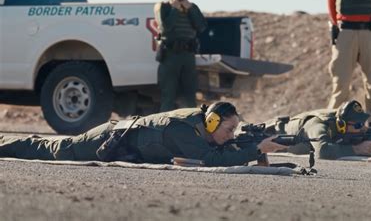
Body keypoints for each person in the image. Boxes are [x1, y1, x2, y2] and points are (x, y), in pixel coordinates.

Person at [0, 102, 288, 167]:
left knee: (54, 145)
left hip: (122, 142)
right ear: (211, 123)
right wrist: (258, 150)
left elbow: (221, 151)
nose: (231, 134)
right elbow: (210, 159)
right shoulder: (183, 130)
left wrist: (255, 149)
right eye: (228, 129)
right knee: (52, 149)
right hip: (110, 139)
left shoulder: (202, 126)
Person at [264, 100, 371, 160]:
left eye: (362, 123)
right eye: (357, 125)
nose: (363, 129)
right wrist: (356, 149)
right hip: (273, 132)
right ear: (342, 125)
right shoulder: (318, 125)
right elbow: (322, 151)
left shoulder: (355, 132)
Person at [327, 0, 371, 120]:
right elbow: (331, 1)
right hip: (346, 31)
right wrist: (338, 24)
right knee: (340, 85)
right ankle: (333, 125)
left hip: (370, 31)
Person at [154, 0, 207, 112]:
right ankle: (164, 130)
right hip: (171, 55)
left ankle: (191, 129)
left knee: (190, 96)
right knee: (168, 97)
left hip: (188, 56)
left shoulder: (191, 6)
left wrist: (191, 10)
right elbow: (166, 28)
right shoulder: (164, 6)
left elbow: (201, 27)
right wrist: (175, 10)